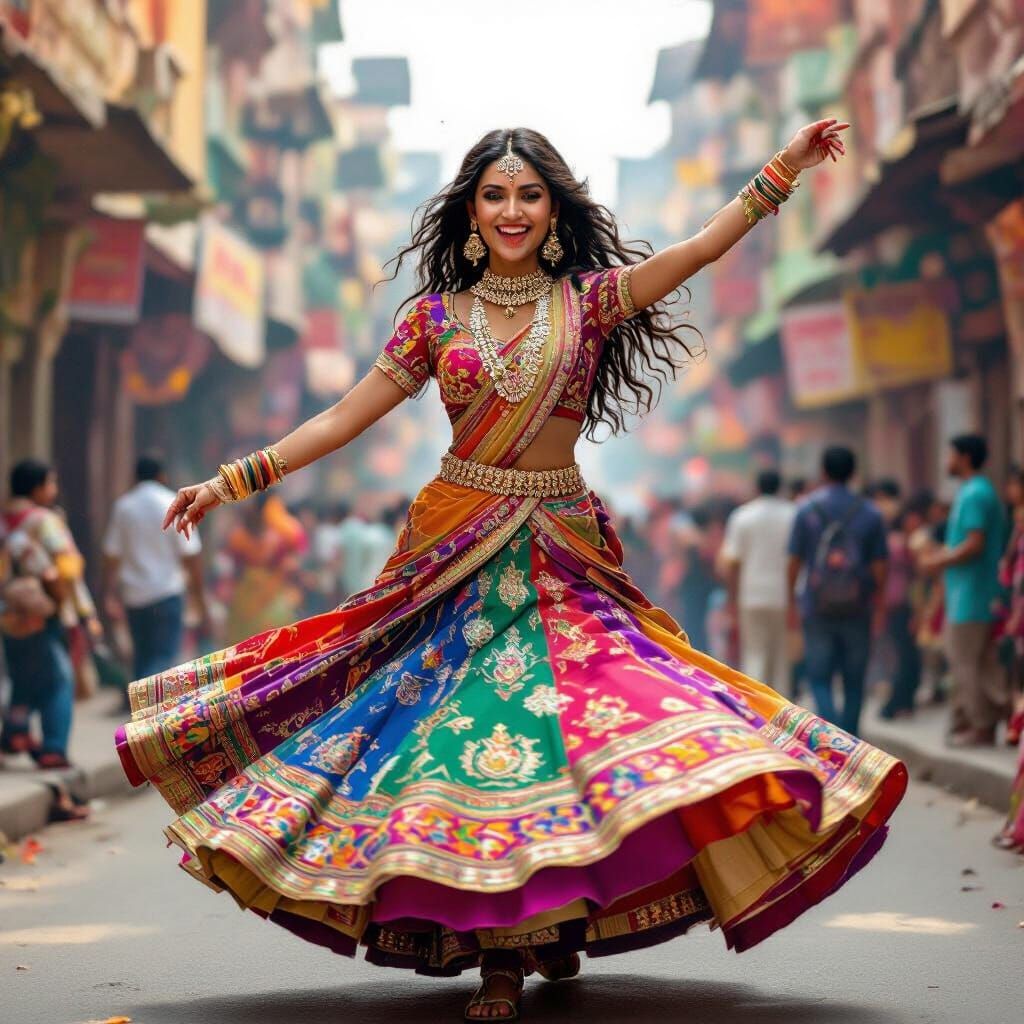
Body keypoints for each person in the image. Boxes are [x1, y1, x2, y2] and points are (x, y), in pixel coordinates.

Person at [117, 124, 906, 1023]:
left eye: (529, 194)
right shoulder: (432, 319)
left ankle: (556, 917)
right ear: (470, 212)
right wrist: (230, 482)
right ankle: (500, 953)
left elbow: (696, 251)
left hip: (561, 550)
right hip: (458, 550)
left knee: (590, 729)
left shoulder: (591, 300)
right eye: (494, 194)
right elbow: (343, 418)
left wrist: (782, 171)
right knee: (475, 741)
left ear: (554, 210)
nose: (512, 210)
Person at [788, 446, 889, 737]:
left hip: (816, 606)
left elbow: (794, 561)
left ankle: (832, 736)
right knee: (854, 680)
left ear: (823, 471)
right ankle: (851, 739)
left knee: (819, 678)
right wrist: (880, 605)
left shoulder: (806, 510)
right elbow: (880, 565)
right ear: (853, 472)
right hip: (859, 606)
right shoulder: (870, 513)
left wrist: (792, 602)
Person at [923, 435, 1008, 747]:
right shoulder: (976, 491)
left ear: (965, 457)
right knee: (978, 663)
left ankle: (981, 725)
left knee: (965, 663)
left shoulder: (975, 493)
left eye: (951, 455)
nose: (946, 461)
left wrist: (938, 560)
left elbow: (974, 543)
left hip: (972, 595)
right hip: (971, 593)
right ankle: (977, 722)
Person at [102, 453, 209, 697]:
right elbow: (191, 555)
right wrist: (199, 597)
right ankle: (147, 703)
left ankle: (140, 703)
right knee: (163, 657)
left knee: (142, 656)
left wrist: (108, 593)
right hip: (167, 594)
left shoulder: (124, 507)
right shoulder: (173, 503)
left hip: (134, 597)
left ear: (135, 477)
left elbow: (111, 554)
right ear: (162, 476)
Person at [0, 460, 81, 772]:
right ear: (36, 487)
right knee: (59, 680)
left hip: (8, 614)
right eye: (51, 483)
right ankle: (53, 748)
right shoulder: (44, 520)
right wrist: (75, 607)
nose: (54, 489)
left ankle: (16, 730)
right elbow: (66, 567)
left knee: (22, 675)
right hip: (40, 611)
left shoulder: (4, 520)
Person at [721, 469, 796, 692]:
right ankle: (782, 705)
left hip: (751, 594)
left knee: (754, 653)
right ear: (780, 487)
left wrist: (732, 598)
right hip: (785, 594)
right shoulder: (793, 514)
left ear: (757, 487)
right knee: (781, 656)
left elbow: (732, 561)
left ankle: (756, 703)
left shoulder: (742, 516)